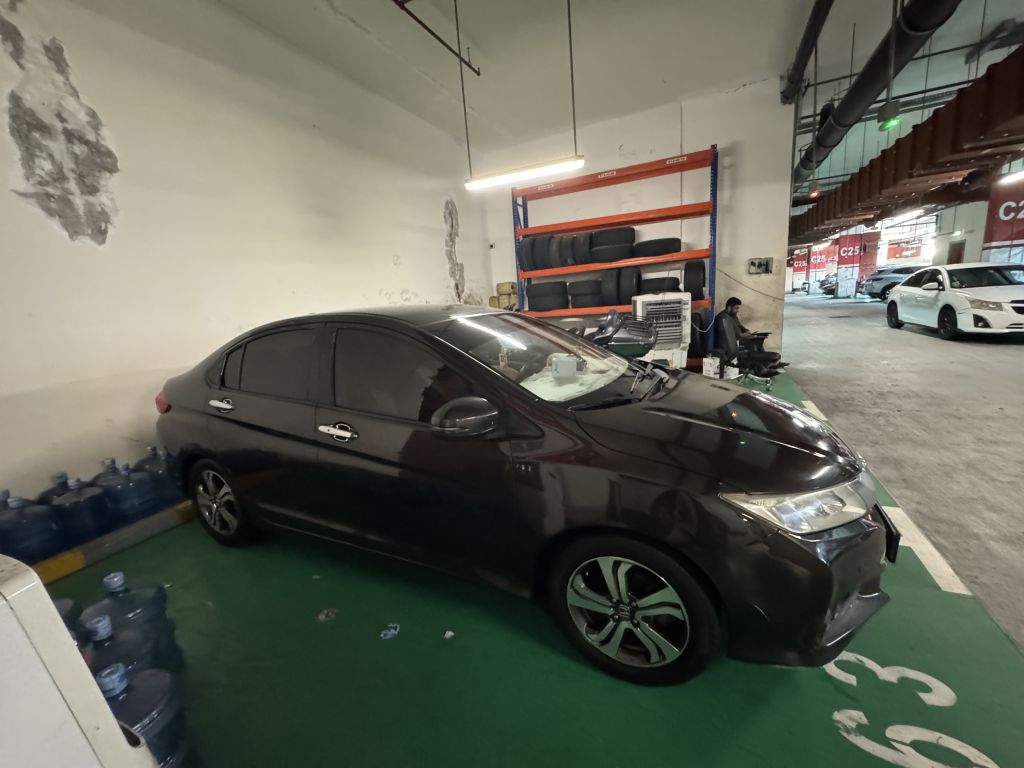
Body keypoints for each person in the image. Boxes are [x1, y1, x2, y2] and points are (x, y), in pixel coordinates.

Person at [714, 297, 787, 369]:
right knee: (754, 343)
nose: (738, 310)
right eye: (736, 308)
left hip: (741, 338)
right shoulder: (723, 318)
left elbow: (740, 326)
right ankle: (763, 366)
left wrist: (746, 330)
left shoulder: (733, 316)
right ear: (729, 307)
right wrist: (744, 336)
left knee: (758, 342)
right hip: (736, 343)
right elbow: (730, 337)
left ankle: (766, 365)